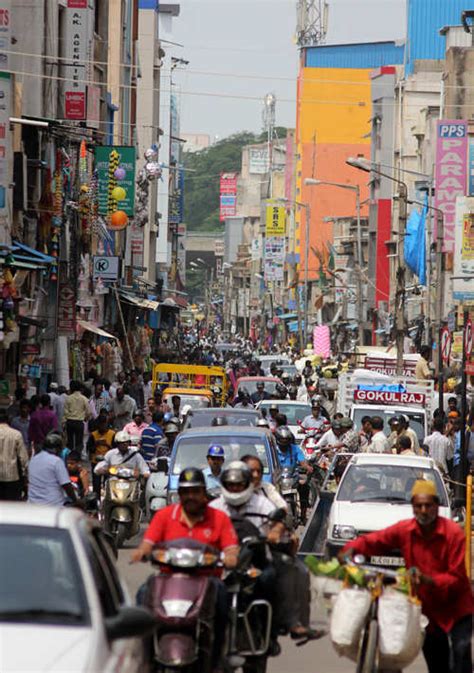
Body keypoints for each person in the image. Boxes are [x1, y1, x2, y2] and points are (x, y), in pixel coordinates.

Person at [340, 479, 473, 673]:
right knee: (438, 664)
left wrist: (428, 580)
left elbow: (457, 578)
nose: (424, 510)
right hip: (428, 611)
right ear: (413, 508)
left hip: (457, 608)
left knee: (460, 659)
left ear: (436, 506)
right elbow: (376, 540)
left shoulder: (453, 534)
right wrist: (349, 549)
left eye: (428, 505)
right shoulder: (405, 530)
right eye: (419, 506)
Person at [131, 467, 239, 669]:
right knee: (142, 594)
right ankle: (145, 657)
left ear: (203, 493)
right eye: (186, 492)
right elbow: (148, 543)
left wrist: (230, 558)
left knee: (224, 599)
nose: (191, 497)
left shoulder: (219, 518)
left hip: (207, 580)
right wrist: (141, 552)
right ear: (179, 494)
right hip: (168, 579)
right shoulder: (164, 516)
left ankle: (218, 656)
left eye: (195, 492)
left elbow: (231, 550)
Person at [274, 426, 313, 522]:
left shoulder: (295, 449)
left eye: (286, 440)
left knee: (304, 487)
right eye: (282, 440)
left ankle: (303, 514)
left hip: (292, 477)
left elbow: (302, 461)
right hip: (277, 478)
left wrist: (307, 467)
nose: (284, 442)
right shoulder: (273, 449)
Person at [28, 431, 77, 506]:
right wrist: (76, 501)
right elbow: (66, 485)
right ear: (57, 449)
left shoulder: (33, 459)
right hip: (53, 505)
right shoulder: (56, 461)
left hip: (33, 504)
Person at [0, 408, 29, 500]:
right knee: (11, 506)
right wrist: (25, 475)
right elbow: (23, 458)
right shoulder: (16, 434)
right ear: (8, 420)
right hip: (12, 476)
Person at [87, 412, 116, 492]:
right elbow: (89, 449)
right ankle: (96, 499)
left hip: (108, 461)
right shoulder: (93, 435)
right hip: (96, 461)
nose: (102, 426)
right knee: (96, 483)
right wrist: (96, 444)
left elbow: (116, 450)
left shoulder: (112, 434)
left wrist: (107, 445)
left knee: (108, 483)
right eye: (100, 424)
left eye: (104, 424)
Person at [63, 380, 91, 452]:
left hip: (69, 422)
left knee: (70, 442)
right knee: (79, 442)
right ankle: (77, 457)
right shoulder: (84, 399)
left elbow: (65, 412)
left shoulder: (68, 398)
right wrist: (86, 418)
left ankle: (69, 456)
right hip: (79, 423)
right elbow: (89, 412)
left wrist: (64, 422)